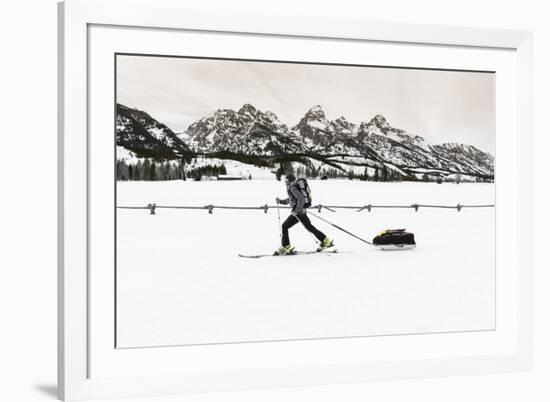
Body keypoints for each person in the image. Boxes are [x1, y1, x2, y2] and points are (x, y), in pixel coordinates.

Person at [275, 173, 334, 255]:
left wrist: (296, 211)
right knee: (309, 227)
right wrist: (281, 201)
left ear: (290, 181)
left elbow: (301, 199)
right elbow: (291, 199)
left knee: (285, 226)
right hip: (300, 212)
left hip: (298, 212)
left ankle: (286, 246)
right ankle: (325, 240)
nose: (285, 182)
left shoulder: (293, 188)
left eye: (286, 180)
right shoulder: (293, 188)